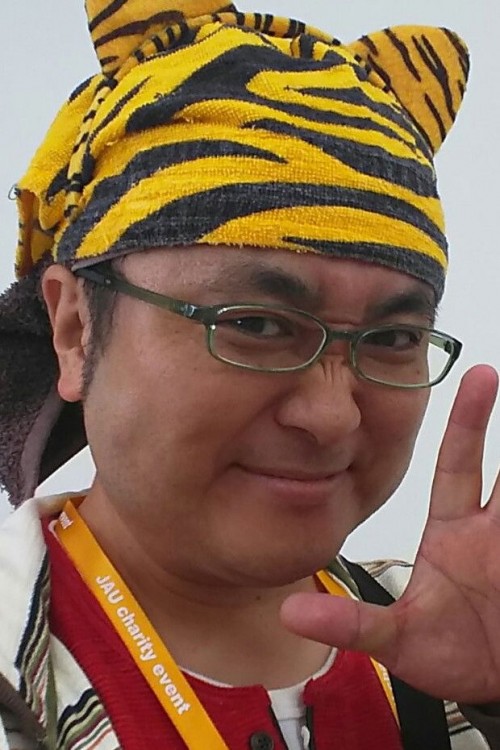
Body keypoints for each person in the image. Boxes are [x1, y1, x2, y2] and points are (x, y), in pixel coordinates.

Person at [0, 1, 498, 748]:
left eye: (393, 337)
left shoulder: (449, 641)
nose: (333, 417)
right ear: (75, 329)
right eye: (256, 325)